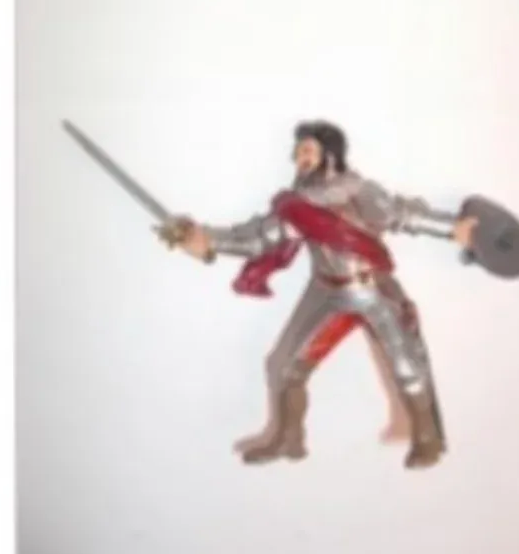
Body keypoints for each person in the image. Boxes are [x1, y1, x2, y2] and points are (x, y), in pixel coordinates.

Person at [155, 121, 477, 469]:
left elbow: (400, 214)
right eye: (299, 151)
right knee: (282, 366)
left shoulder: (357, 190)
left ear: (329, 154)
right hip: (326, 292)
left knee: (407, 367)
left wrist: (451, 228)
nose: (300, 157)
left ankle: (427, 439)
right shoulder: (296, 205)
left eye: (307, 150)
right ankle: (288, 438)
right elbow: (259, 239)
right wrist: (206, 239)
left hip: (373, 289)